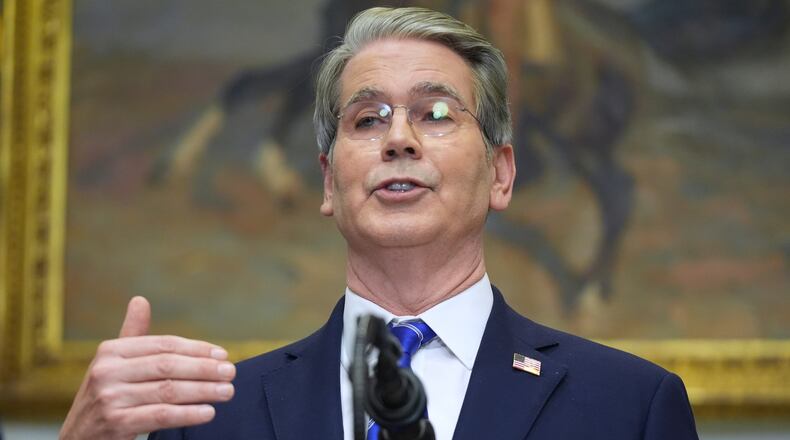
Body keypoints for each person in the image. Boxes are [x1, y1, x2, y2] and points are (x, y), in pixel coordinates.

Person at [60, 7, 698, 440]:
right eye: (367, 120)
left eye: (437, 113)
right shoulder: (211, 418)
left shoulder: (628, 407)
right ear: (328, 182)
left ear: (502, 174)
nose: (398, 139)